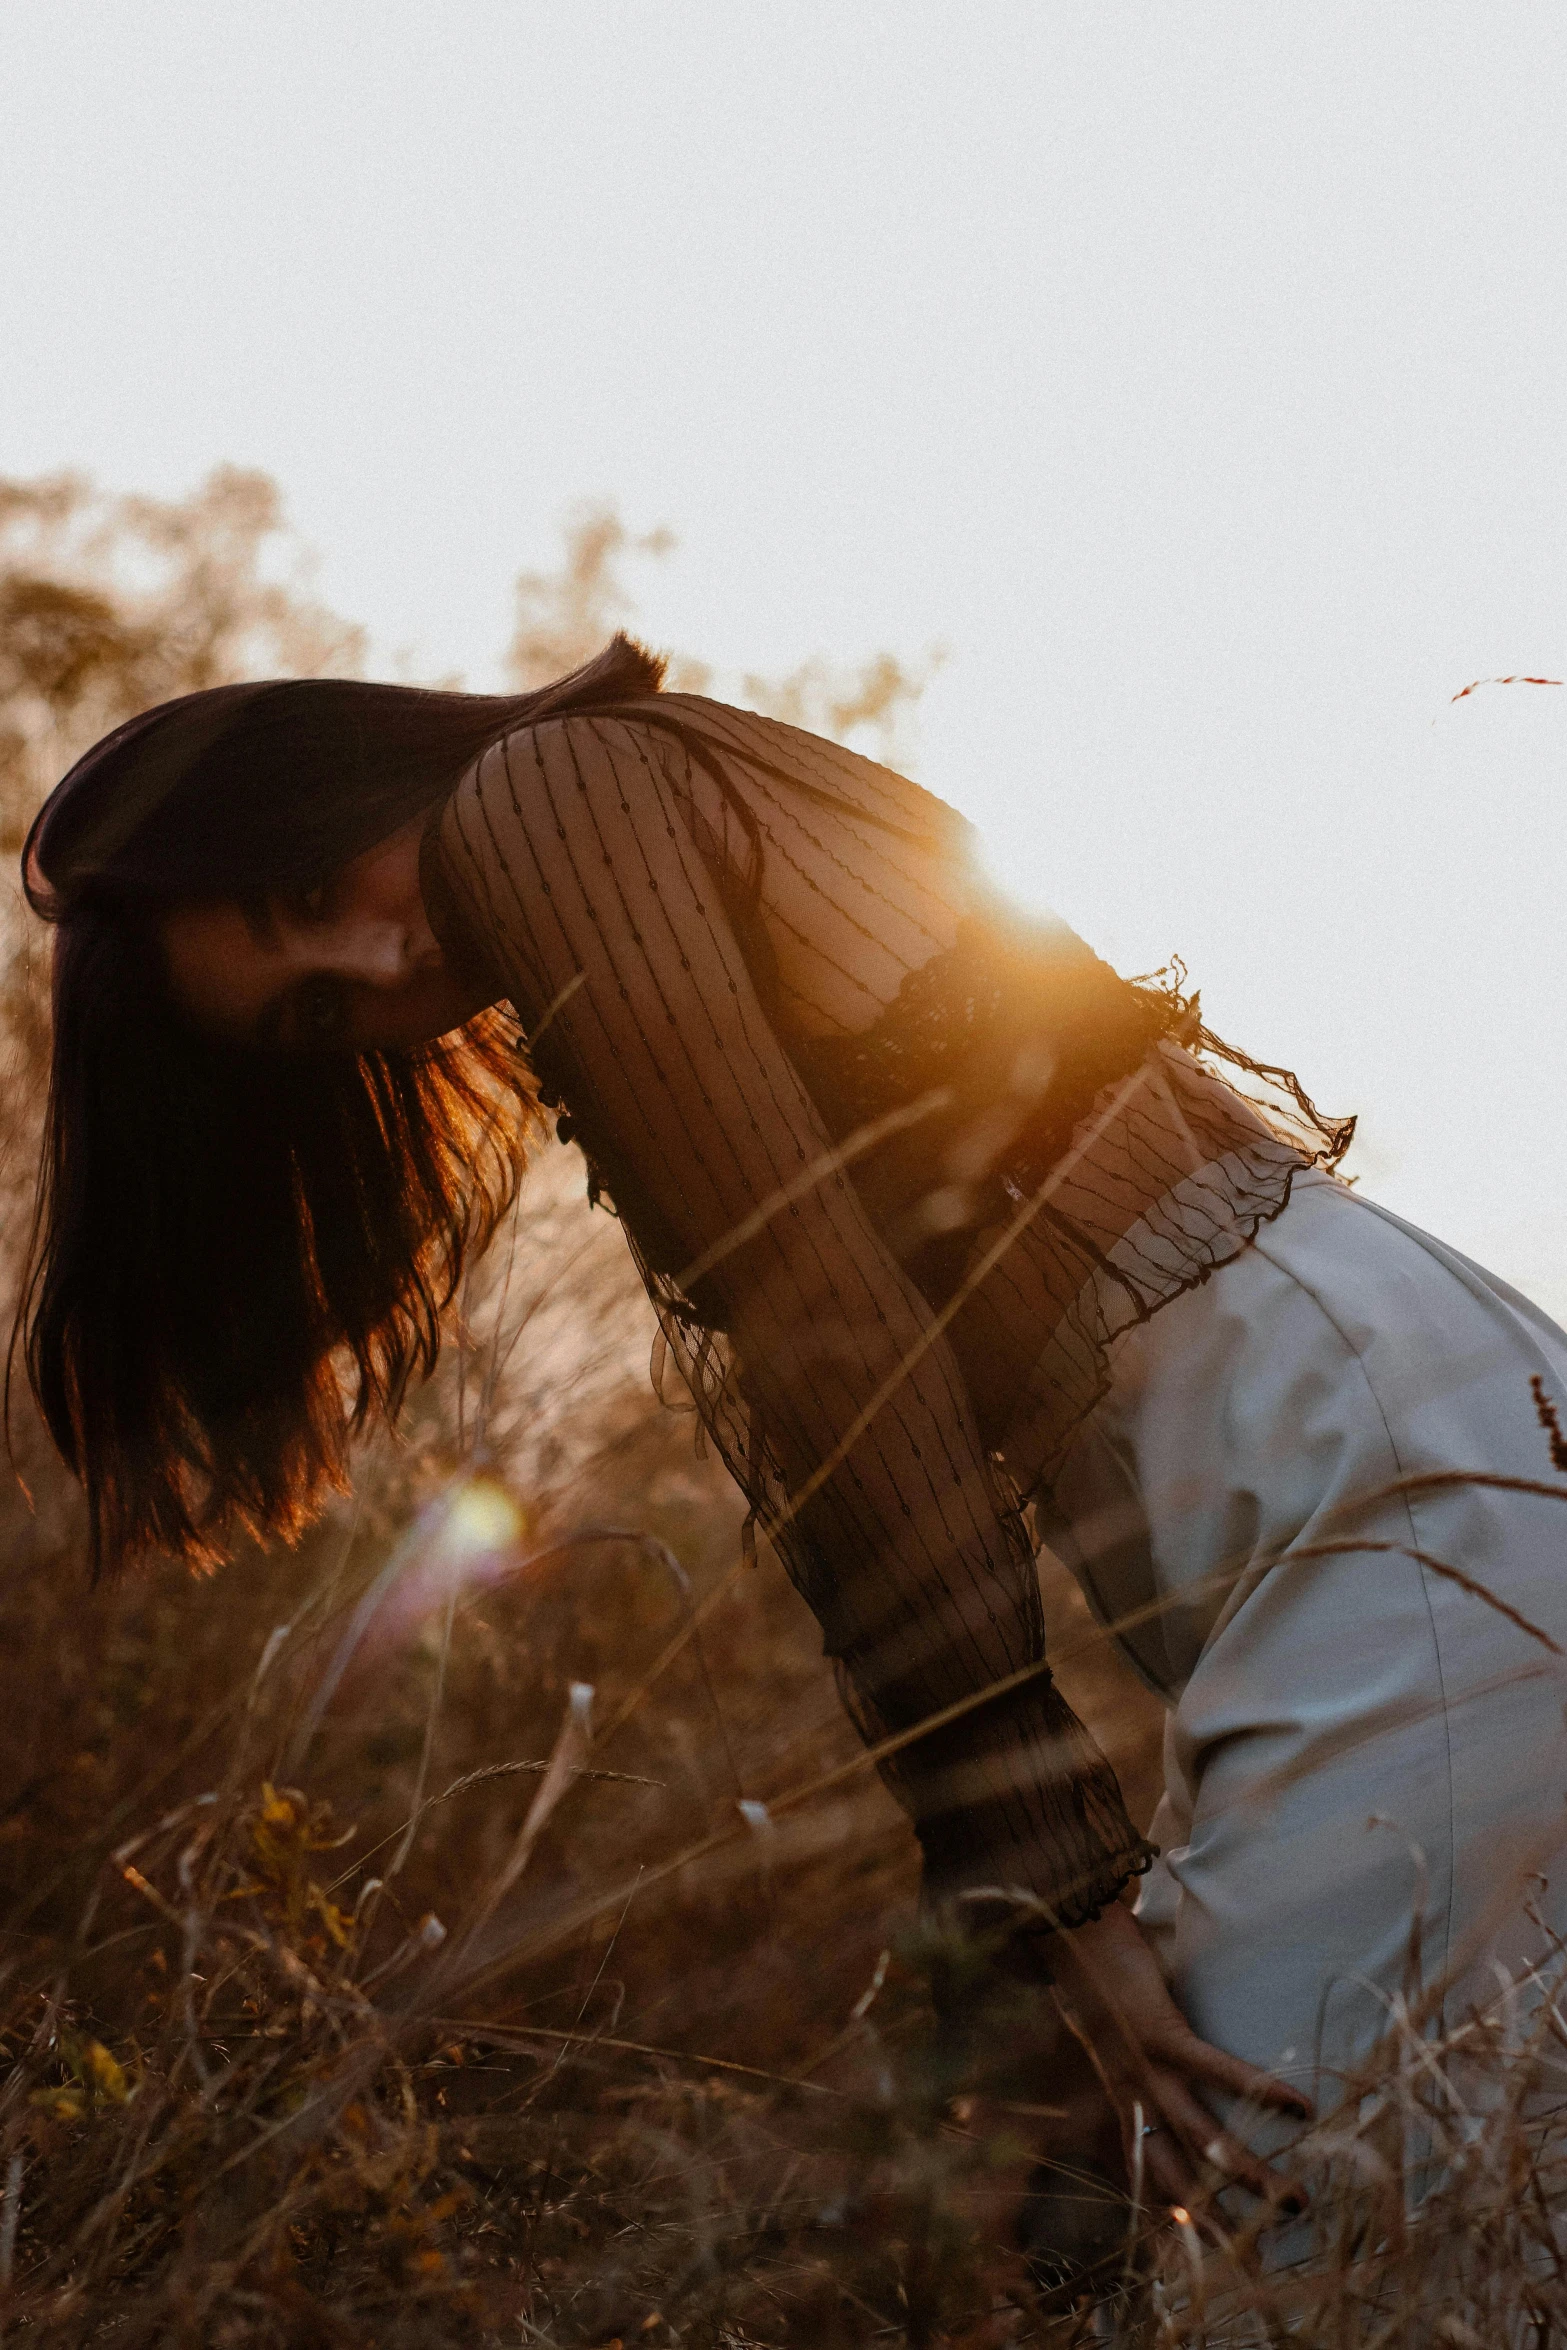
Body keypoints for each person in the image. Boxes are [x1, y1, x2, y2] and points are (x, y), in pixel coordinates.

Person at [16, 634, 1567, 2221]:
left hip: (1369, 1479)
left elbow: (832, 1349)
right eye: (312, 1014)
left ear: (331, 776)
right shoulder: (624, 797)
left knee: (1255, 2213)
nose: (375, 961)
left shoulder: (542, 802)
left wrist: (1051, 1881)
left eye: (298, 896)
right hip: (1396, 1430)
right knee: (1462, 2201)